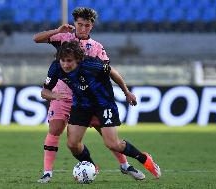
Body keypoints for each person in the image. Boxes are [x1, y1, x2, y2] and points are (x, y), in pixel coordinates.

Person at [34, 7, 141, 183]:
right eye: (79, 24)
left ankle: (125, 165)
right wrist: (57, 30)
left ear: (92, 26)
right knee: (55, 130)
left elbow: (108, 71)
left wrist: (125, 92)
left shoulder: (97, 47)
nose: (82, 28)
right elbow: (36, 39)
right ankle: (47, 173)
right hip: (62, 94)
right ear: (75, 23)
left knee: (106, 134)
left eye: (87, 25)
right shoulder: (64, 38)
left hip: (87, 98)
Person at [41, 41, 161, 181]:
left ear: (78, 60)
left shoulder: (92, 64)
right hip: (81, 104)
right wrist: (55, 95)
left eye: (69, 61)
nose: (65, 64)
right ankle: (91, 166)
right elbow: (44, 92)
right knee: (72, 144)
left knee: (112, 144)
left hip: (103, 104)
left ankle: (144, 158)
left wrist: (127, 93)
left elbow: (113, 73)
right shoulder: (56, 67)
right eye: (63, 60)